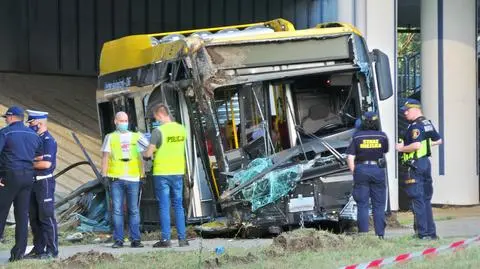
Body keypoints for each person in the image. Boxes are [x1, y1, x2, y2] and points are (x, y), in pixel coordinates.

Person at [0, 106, 42, 261]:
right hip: (28, 177)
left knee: (1, 212)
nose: (5, 120)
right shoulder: (33, 134)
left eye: (6, 117)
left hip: (9, 176)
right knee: (22, 216)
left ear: (11, 117)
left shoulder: (5, 133)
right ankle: (18, 254)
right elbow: (39, 155)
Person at [396, 99, 442, 240]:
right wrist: (424, 146)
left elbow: (416, 145)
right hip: (425, 164)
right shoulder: (427, 123)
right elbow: (438, 140)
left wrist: (401, 148)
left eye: (407, 110)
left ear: (415, 109)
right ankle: (431, 233)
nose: (405, 113)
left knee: (418, 200)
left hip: (415, 165)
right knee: (426, 200)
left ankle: (423, 234)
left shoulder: (415, 126)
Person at [143, 103, 188, 248]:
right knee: (179, 206)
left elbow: (149, 153)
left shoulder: (158, 131)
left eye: (156, 117)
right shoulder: (182, 129)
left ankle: (166, 240)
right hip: (178, 172)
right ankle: (182, 239)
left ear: (160, 114)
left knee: (164, 206)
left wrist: (144, 153)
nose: (156, 119)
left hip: (162, 173)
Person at [101, 111, 147, 248]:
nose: (124, 123)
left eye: (126, 120)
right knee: (117, 210)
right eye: (121, 120)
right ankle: (119, 240)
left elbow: (142, 156)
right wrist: (104, 175)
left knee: (133, 210)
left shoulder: (136, 136)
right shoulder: (110, 137)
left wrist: (142, 175)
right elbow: (105, 158)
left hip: (133, 178)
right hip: (116, 179)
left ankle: (136, 239)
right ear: (115, 122)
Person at [346, 111, 389, 238]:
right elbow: (384, 151)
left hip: (361, 169)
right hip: (377, 169)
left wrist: (355, 172)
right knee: (379, 205)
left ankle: (364, 235)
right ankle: (380, 235)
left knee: (362, 204)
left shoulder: (357, 137)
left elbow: (350, 157)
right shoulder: (382, 136)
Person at [23, 110, 59, 259]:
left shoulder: (48, 140)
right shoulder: (35, 140)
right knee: (34, 218)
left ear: (40, 123)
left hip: (44, 182)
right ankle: (39, 249)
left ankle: (52, 250)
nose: (30, 126)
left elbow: (45, 164)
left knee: (46, 217)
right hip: (32, 183)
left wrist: (26, 163)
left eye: (32, 123)